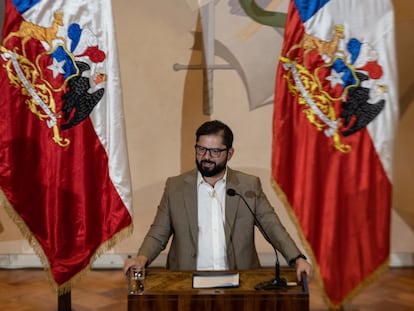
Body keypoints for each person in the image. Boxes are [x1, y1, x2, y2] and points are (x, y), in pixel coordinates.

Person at [124, 120, 313, 281]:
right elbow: (158, 232)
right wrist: (142, 258)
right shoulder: (176, 187)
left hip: (239, 281)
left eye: (214, 152)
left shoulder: (248, 186)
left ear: (229, 153)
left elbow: (272, 226)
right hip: (187, 281)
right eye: (201, 149)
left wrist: (296, 258)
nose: (206, 157)